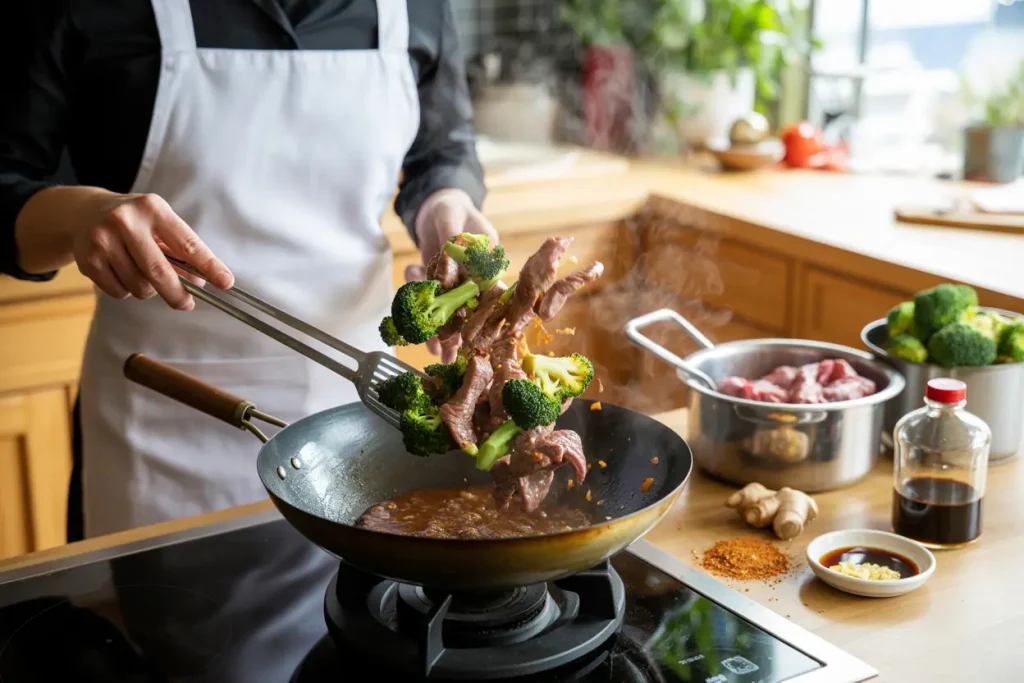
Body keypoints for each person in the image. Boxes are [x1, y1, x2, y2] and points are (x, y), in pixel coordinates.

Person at [0, 0, 495, 544]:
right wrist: (79, 215)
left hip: (361, 420)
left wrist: (443, 210)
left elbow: (442, 152)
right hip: (163, 426)